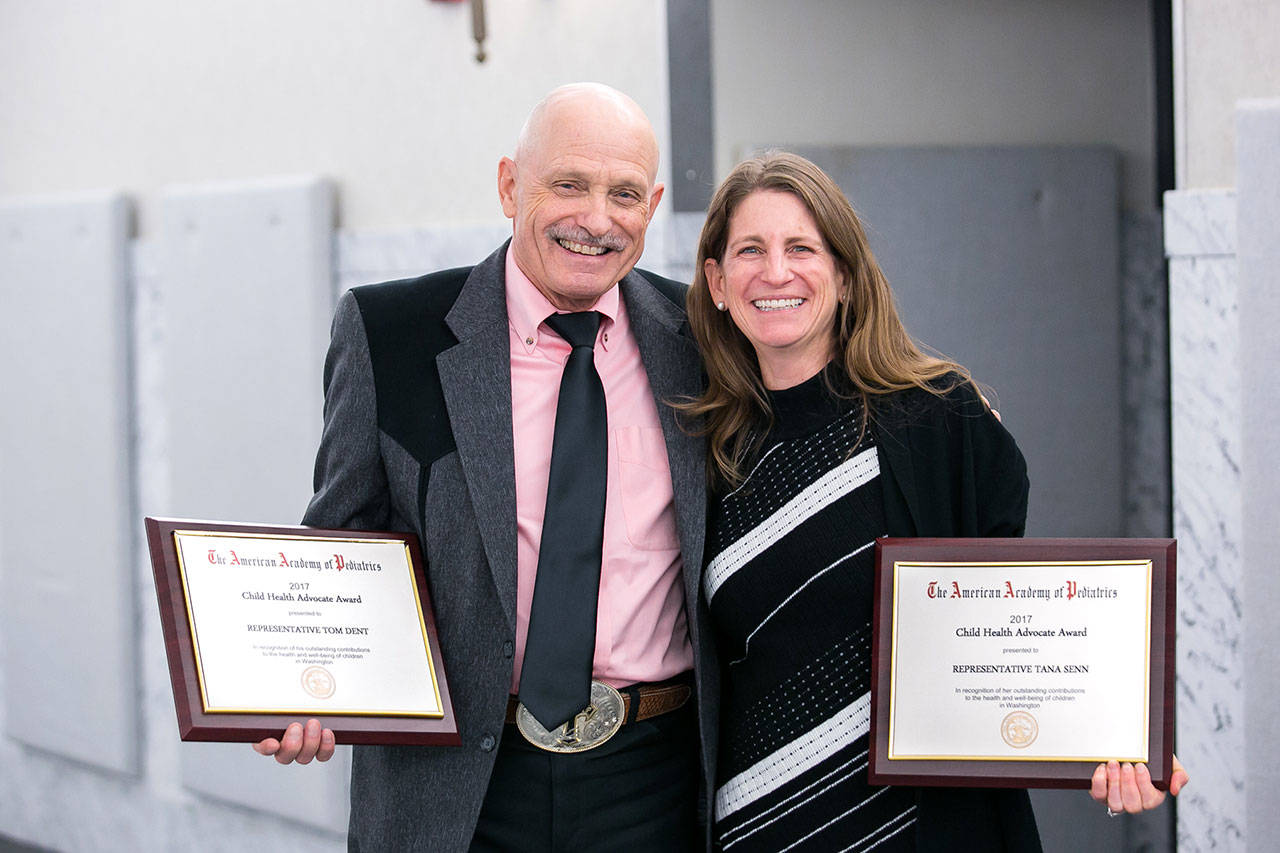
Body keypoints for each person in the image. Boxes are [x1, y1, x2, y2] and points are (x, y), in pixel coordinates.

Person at [252, 83, 717, 852]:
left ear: (654, 205)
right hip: (452, 783)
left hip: (654, 780)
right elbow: (341, 535)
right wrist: (300, 679)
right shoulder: (391, 332)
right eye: (568, 184)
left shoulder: (703, 338)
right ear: (510, 185)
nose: (595, 219)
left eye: (624, 194)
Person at [679, 151, 1187, 851]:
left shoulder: (941, 418)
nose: (776, 271)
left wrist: (1118, 734)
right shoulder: (699, 450)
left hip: (927, 828)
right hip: (762, 824)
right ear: (717, 282)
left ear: (846, 275)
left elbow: (1018, 619)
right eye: (750, 251)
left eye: (801, 247)